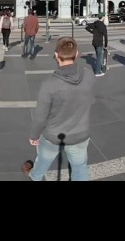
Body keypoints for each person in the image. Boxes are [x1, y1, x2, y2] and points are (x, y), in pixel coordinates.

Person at [21, 36, 97, 181]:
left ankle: (35, 176)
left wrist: (34, 135)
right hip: (80, 134)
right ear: (77, 54)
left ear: (56, 55)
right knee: (80, 168)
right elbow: (91, 99)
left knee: (43, 162)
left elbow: (40, 116)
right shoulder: (89, 75)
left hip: (53, 136)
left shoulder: (49, 84)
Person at [85, 12, 108, 77]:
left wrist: (93, 32)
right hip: (99, 43)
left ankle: (100, 68)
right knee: (99, 58)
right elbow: (106, 36)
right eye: (104, 16)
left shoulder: (95, 23)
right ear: (103, 17)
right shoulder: (103, 26)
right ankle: (97, 72)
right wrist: (106, 45)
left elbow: (87, 27)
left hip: (94, 42)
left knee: (98, 56)